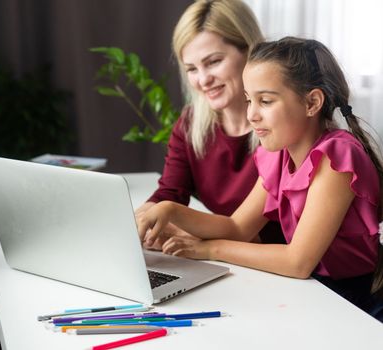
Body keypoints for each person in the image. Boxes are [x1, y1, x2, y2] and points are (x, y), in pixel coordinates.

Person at [137, 36, 383, 321]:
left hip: (356, 304)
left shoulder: (336, 157)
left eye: (265, 101)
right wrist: (170, 211)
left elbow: (298, 262)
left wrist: (209, 249)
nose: (252, 114)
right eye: (249, 100)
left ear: (312, 102)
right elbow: (237, 227)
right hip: (315, 293)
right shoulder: (278, 155)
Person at [135, 0, 285, 247]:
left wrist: (194, 236)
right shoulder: (190, 124)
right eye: (192, 69)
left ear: (250, 51)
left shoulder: (282, 128)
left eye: (214, 61)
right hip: (227, 260)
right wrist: (144, 218)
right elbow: (170, 193)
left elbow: (284, 233)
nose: (203, 79)